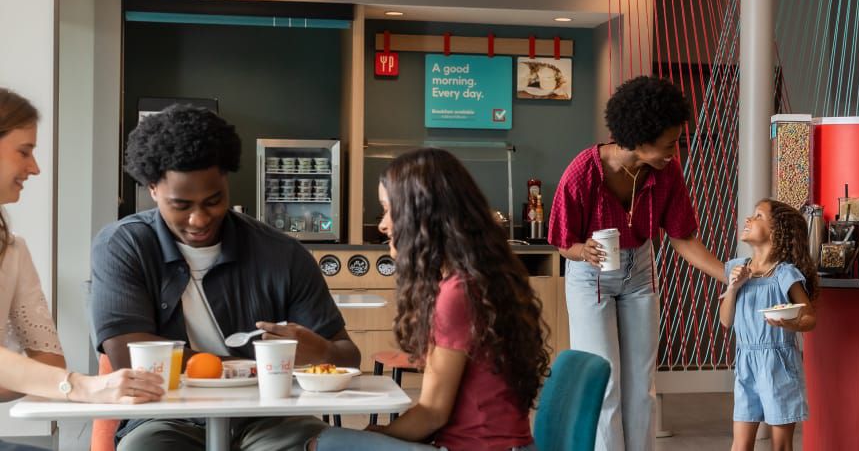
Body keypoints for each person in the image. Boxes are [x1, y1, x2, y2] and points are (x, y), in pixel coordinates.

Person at [89, 105, 359, 450]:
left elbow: (348, 356)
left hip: (272, 416)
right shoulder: (124, 247)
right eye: (182, 205)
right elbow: (131, 355)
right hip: (165, 416)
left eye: (213, 201)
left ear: (226, 181)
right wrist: (262, 364)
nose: (199, 219)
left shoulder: (282, 254)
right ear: (153, 189)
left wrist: (320, 351)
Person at [310, 148, 547, 451]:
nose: (383, 224)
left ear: (422, 214)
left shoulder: (456, 293)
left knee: (321, 442)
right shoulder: (483, 278)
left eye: (388, 209)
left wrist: (376, 434)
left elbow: (432, 414)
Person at [548, 75, 727, 451]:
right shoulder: (583, 173)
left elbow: (683, 237)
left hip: (640, 272)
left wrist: (728, 274)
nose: (674, 153)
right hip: (591, 275)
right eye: (668, 144)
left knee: (642, 386)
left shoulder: (666, 174)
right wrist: (585, 251)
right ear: (639, 139)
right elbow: (563, 242)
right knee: (605, 383)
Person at [0, 88, 166, 451]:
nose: (35, 167)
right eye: (24, 151)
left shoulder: (13, 250)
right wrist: (82, 385)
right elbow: (52, 372)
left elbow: (48, 359)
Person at [718, 199, 817, 451]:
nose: (749, 219)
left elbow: (809, 318)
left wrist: (789, 323)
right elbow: (726, 321)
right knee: (740, 444)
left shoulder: (784, 274)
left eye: (758, 216)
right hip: (745, 361)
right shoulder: (736, 269)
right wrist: (733, 287)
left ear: (776, 230)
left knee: (781, 445)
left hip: (779, 362)